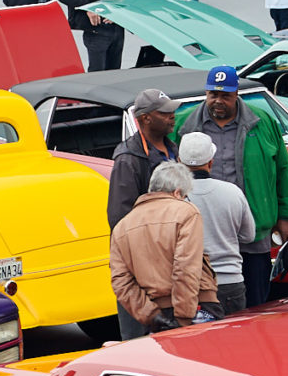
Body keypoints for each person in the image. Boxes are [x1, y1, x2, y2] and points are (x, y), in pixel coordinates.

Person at [180, 64, 288, 304]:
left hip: (253, 231)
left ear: (237, 94)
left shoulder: (262, 122)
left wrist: (285, 217)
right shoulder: (185, 123)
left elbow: (284, 169)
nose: (218, 101)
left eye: (226, 96)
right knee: (205, 305)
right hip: (203, 234)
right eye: (213, 94)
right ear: (206, 93)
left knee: (256, 301)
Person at [109, 160, 213, 336]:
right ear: (177, 192)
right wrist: (183, 318)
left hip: (153, 317)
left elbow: (120, 281)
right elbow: (186, 268)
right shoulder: (186, 212)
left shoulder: (122, 227)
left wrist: (151, 315)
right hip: (192, 308)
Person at [180, 131, 253, 314]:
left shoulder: (175, 197)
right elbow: (248, 235)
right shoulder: (232, 192)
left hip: (189, 285)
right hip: (230, 282)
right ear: (211, 162)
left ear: (179, 163)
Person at [105, 88, 182, 226]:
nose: (172, 116)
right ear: (146, 118)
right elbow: (120, 216)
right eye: (164, 113)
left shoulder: (173, 148)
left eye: (172, 111)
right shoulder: (128, 159)